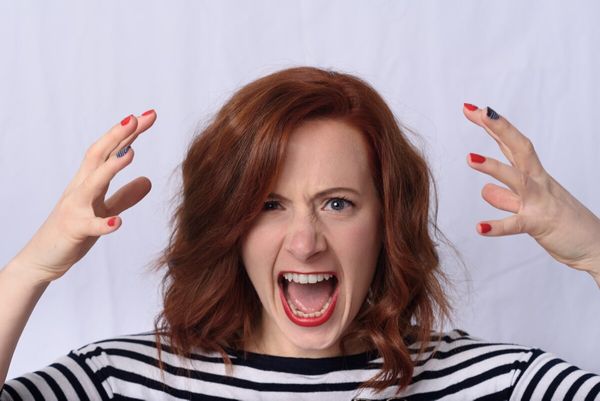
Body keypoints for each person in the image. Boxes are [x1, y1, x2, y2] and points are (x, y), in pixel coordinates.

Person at [1, 66, 599, 400]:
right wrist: (29, 270)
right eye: (269, 205)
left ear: (387, 222)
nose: (305, 241)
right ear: (230, 226)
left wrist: (596, 251)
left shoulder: (495, 384)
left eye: (337, 203)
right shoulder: (120, 381)